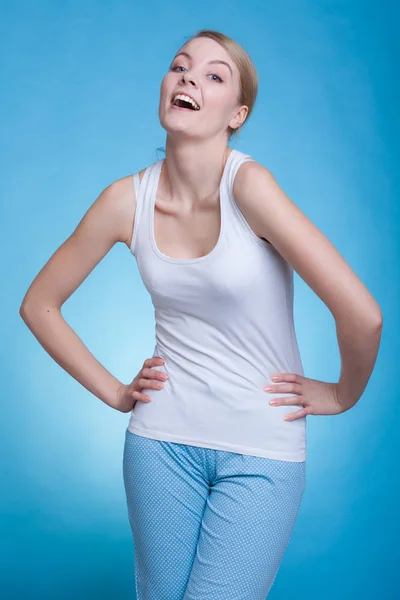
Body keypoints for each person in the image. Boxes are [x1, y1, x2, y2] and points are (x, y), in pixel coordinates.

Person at [20, 29, 383, 600]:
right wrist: (117, 393)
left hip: (261, 453)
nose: (188, 77)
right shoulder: (125, 201)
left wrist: (342, 395)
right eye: (179, 66)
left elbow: (362, 315)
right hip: (159, 446)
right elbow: (38, 304)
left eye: (214, 75)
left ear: (236, 114)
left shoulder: (251, 187)